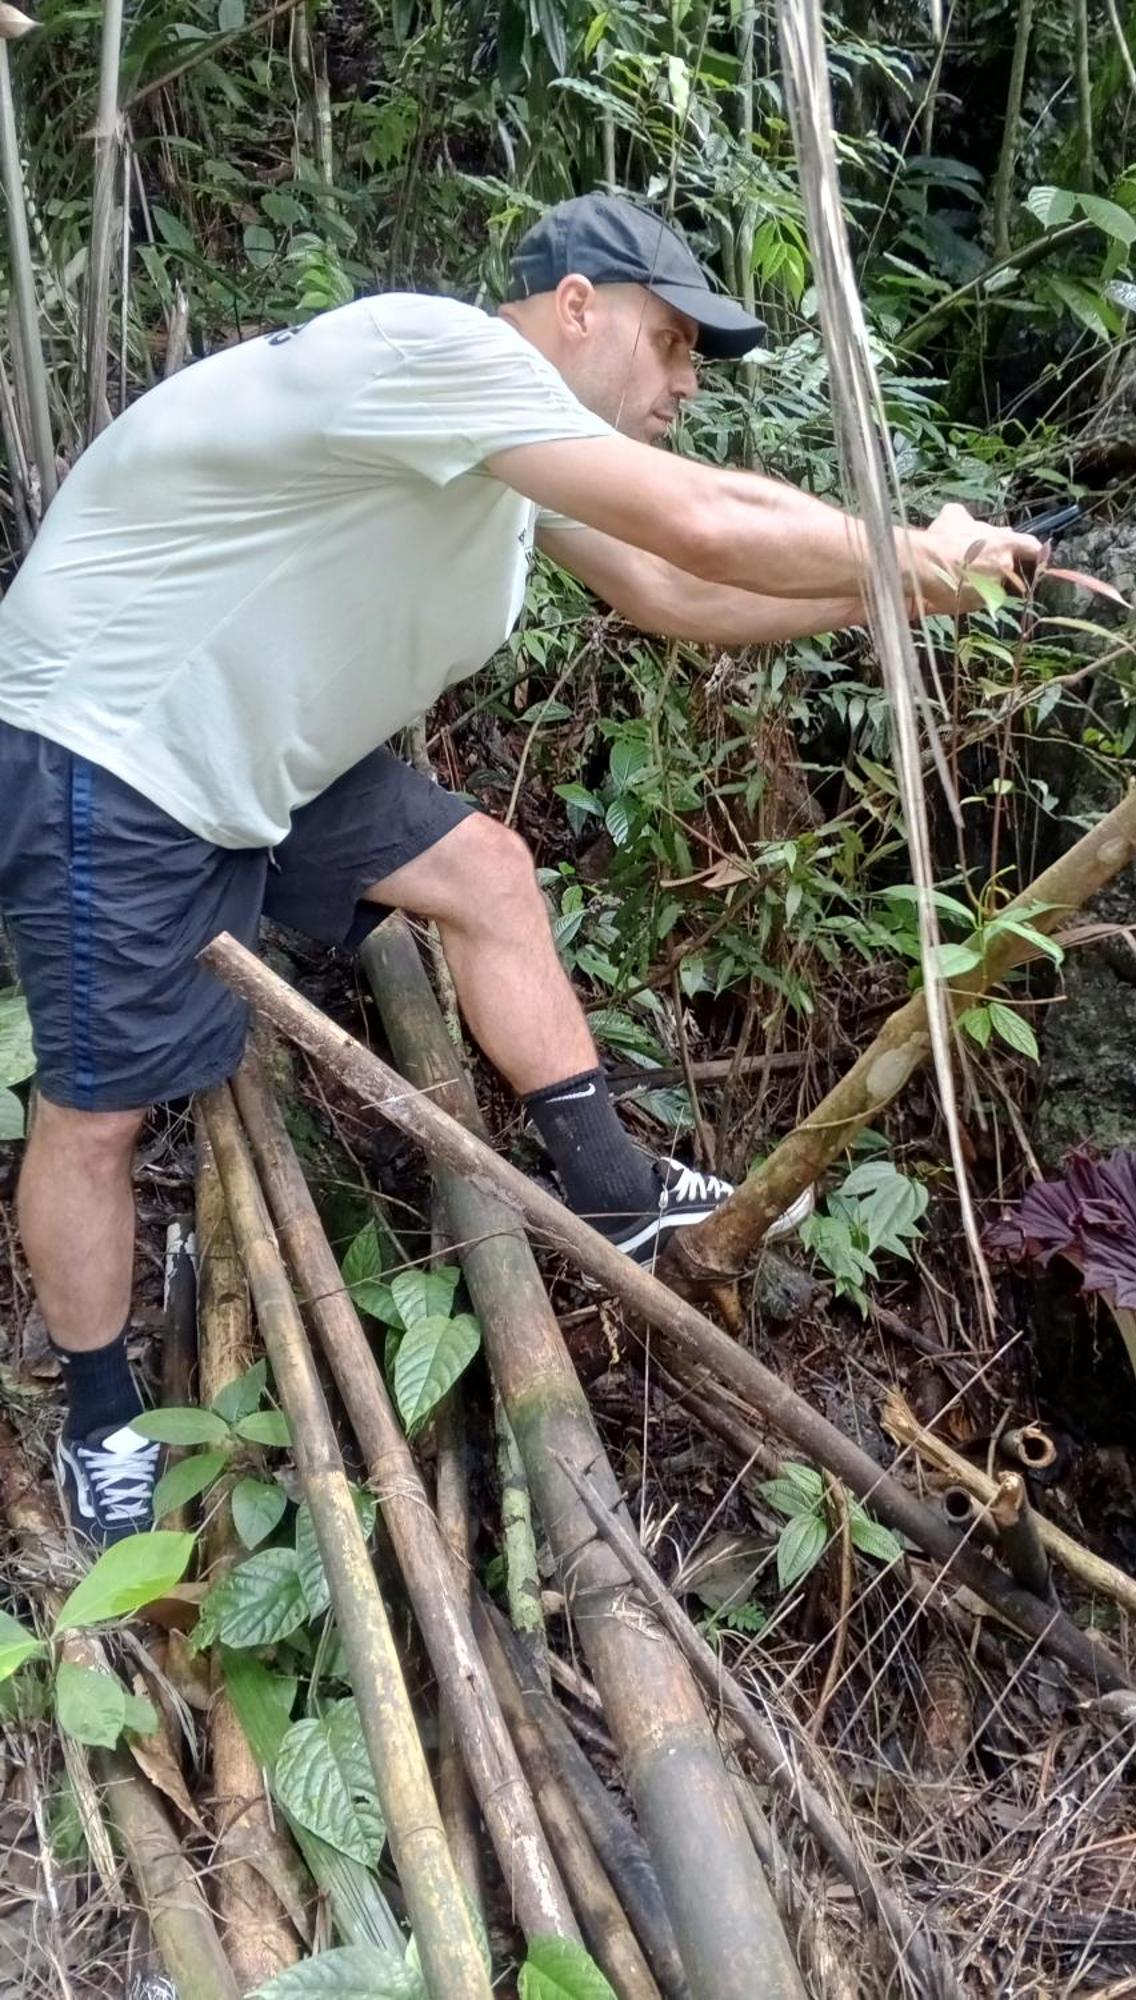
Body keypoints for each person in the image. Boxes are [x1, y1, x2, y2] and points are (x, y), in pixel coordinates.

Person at [0, 193, 1041, 1543]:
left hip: (256, 749)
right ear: (577, 305)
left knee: (487, 870)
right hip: (113, 743)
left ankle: (607, 1182)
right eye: (670, 344)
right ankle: (98, 1419)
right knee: (98, 1113)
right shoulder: (442, 352)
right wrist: (908, 544)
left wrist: (904, 589)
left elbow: (678, 594)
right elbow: (709, 526)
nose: (681, 384)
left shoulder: (506, 449)